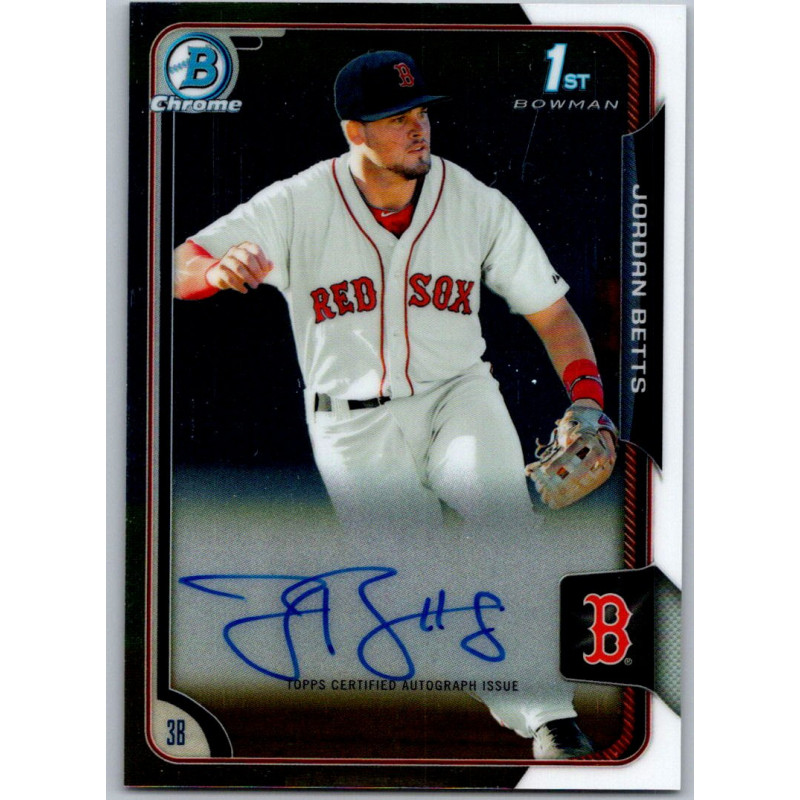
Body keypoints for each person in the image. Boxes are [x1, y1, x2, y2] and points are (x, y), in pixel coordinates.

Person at [174, 50, 615, 759]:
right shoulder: (297, 203)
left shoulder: (473, 202)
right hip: (349, 424)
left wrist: (588, 401)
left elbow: (553, 313)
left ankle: (552, 720)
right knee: (421, 589)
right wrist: (215, 270)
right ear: (355, 131)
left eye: (421, 112)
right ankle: (519, 701)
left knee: (504, 524)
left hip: (456, 398)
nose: (418, 128)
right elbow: (178, 264)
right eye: (396, 117)